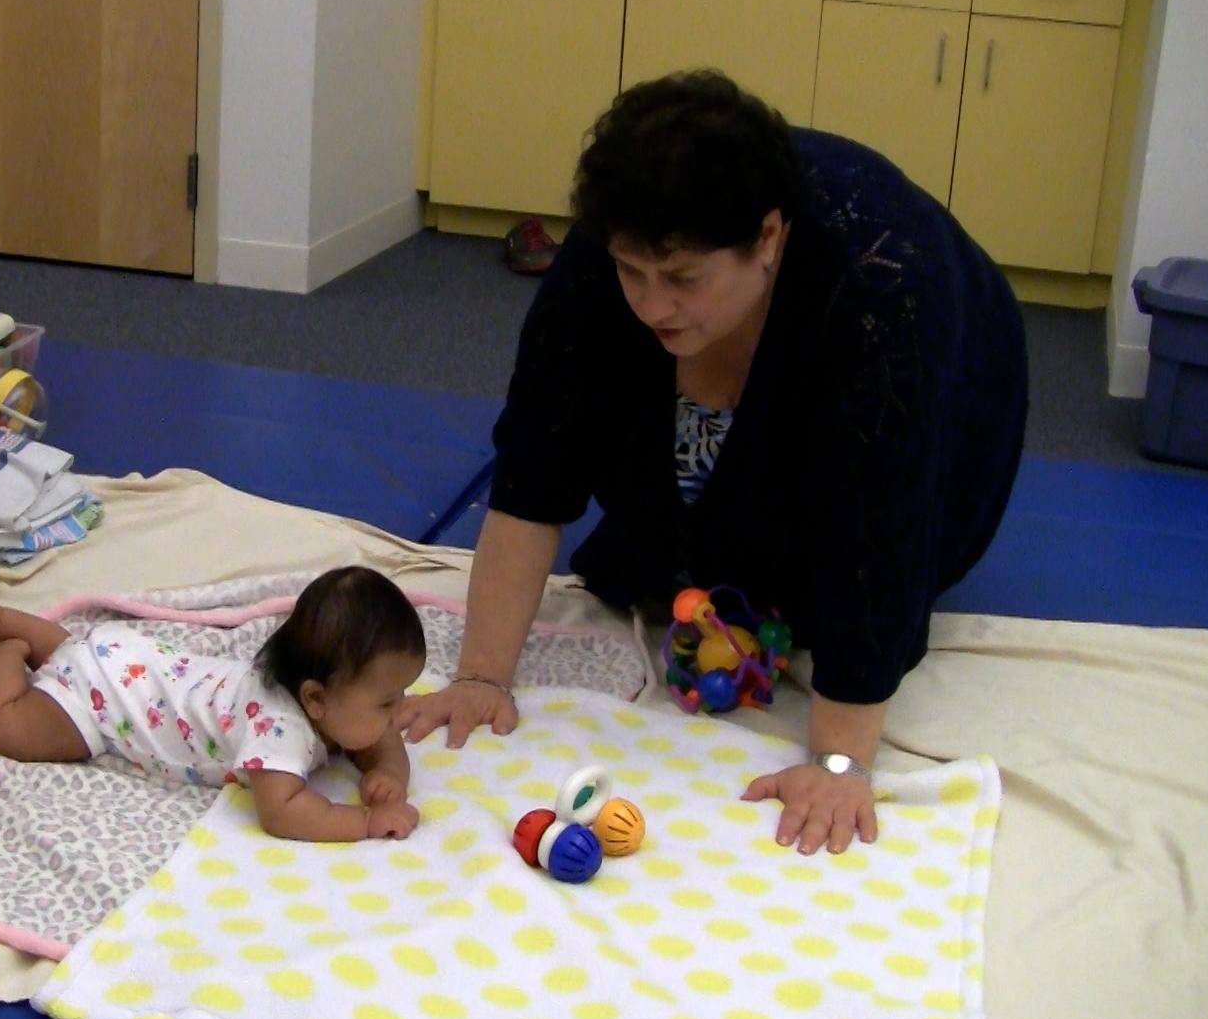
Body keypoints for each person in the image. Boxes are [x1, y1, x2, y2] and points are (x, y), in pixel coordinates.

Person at [398, 70, 1028, 857]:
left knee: (826, 563)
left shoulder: (882, 281)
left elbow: (880, 529)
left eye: (681, 280)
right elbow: (535, 468)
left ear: (766, 240)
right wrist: (481, 679)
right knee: (674, 564)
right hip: (733, 365)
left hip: (946, 384)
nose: (654, 303)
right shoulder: (608, 257)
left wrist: (840, 760)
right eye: (635, 275)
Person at [0, 566, 428, 843]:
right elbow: (284, 813)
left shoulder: (322, 699)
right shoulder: (281, 732)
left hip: (128, 656)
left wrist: (389, 775)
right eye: (387, 701)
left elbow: (376, 740)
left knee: (77, 653)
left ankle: (1, 619)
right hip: (106, 709)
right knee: (9, 731)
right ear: (315, 698)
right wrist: (361, 822)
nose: (398, 712)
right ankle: (0, 661)